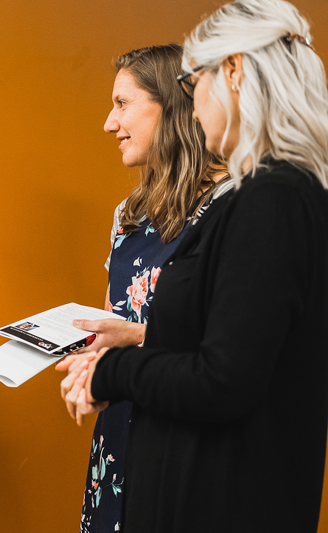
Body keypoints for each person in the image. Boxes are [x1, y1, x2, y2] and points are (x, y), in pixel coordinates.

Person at [63, 0, 328, 531]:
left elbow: (224, 378)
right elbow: (227, 338)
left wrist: (112, 372)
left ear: (232, 72)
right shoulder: (277, 196)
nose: (193, 101)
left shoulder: (270, 200)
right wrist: (138, 336)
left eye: (195, 81)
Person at [54, 44, 230, 533]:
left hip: (187, 432)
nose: (109, 124)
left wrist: (134, 338)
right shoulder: (127, 215)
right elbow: (115, 320)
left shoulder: (232, 209)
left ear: (173, 106)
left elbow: (229, 344)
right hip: (120, 427)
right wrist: (80, 350)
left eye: (122, 104)